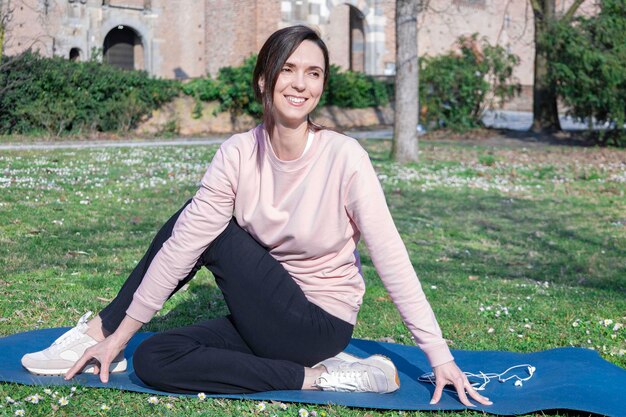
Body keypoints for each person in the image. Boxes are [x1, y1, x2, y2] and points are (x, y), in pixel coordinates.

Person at [22, 25, 491, 406]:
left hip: (319, 322)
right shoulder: (238, 154)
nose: (301, 84)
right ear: (265, 80)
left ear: (323, 84)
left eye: (314, 73)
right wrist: (126, 337)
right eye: (288, 70)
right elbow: (181, 248)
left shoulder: (345, 158)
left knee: (206, 226)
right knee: (157, 356)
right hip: (265, 316)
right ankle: (324, 379)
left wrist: (439, 354)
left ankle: (101, 328)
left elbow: (392, 257)